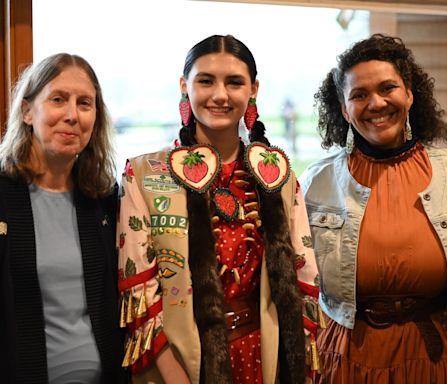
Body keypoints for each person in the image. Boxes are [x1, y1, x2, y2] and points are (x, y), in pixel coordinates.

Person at [300, 34, 447, 383]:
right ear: (343, 109)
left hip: (436, 354)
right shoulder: (315, 182)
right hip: (349, 354)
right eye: (359, 95)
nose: (376, 103)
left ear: (409, 93)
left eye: (387, 88)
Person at [117, 34, 320, 384]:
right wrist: (175, 376)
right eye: (206, 81)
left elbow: (304, 276)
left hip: (264, 357)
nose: (220, 95)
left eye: (235, 82)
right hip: (178, 361)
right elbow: (139, 291)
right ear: (185, 85)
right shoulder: (146, 174)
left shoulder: (277, 175)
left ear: (253, 89)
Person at [0, 53, 126, 383]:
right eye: (58, 99)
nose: (72, 115)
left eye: (85, 103)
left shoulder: (103, 200)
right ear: (27, 111)